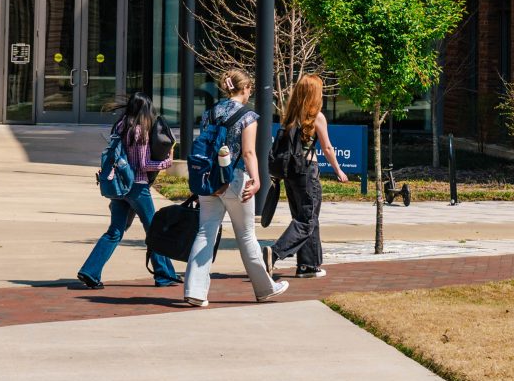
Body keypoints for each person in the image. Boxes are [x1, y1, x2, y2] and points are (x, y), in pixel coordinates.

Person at [180, 66, 287, 308]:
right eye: (250, 89)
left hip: (209, 180)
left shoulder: (210, 113)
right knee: (247, 236)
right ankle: (265, 288)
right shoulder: (248, 116)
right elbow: (249, 152)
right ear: (246, 88)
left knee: (205, 232)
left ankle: (195, 291)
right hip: (237, 180)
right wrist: (258, 180)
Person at [74, 92, 180, 289]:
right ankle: (164, 275)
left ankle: (90, 271)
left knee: (115, 231)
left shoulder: (121, 125)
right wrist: (167, 162)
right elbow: (143, 164)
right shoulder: (140, 130)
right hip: (137, 187)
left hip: (119, 187)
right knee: (154, 231)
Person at [267, 73, 344, 280]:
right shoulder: (316, 116)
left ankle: (307, 266)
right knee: (308, 219)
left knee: (305, 217)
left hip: (291, 173)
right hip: (307, 171)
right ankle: (273, 253)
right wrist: (338, 170)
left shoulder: (291, 116)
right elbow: (327, 147)